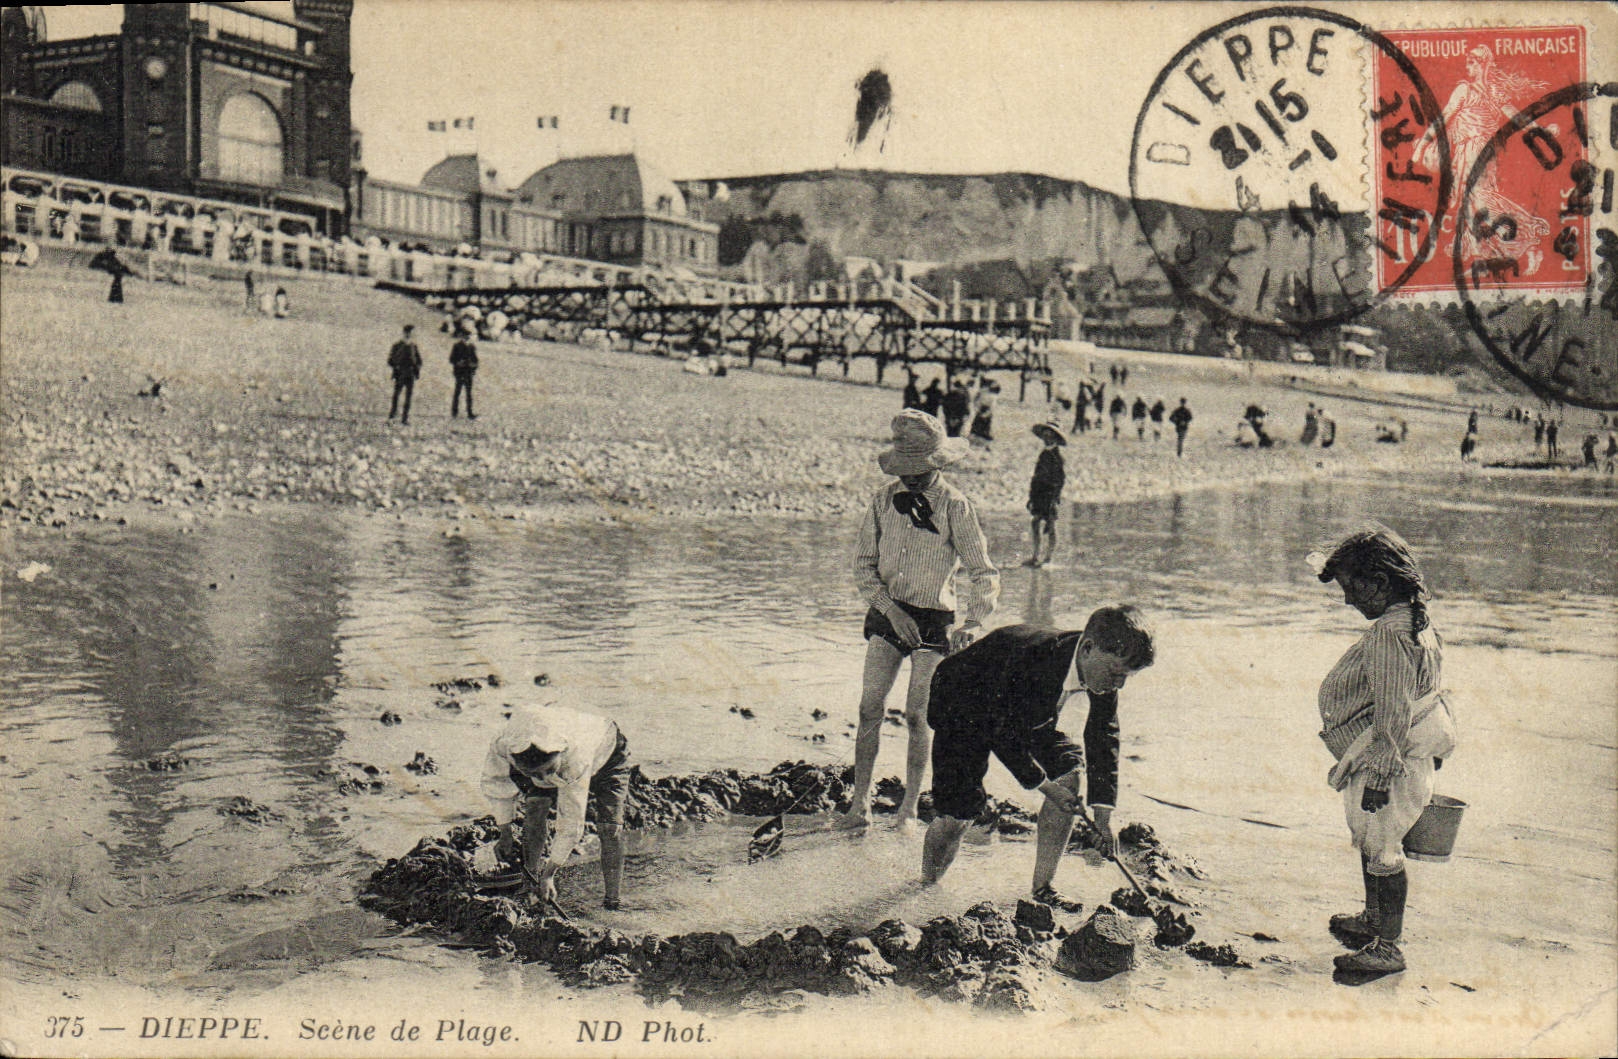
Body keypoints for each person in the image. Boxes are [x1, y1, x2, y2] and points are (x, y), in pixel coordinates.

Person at [920, 609, 1157, 908]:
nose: (1119, 685)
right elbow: (1001, 733)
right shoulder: (1036, 659)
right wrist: (1046, 787)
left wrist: (1103, 819)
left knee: (1070, 775)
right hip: (964, 703)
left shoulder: (1103, 668)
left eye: (1127, 677)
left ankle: (1043, 889)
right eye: (1116, 674)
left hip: (1027, 713)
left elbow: (1102, 738)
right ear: (1088, 649)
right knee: (959, 815)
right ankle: (926, 888)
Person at [842, 409, 1000, 829]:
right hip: (888, 611)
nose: (909, 480)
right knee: (869, 706)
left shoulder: (955, 505)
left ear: (938, 464)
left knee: (918, 715)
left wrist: (973, 623)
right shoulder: (881, 500)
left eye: (919, 472)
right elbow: (863, 566)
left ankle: (909, 809)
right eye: (905, 472)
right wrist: (890, 610)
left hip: (935, 620)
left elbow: (983, 571)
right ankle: (859, 806)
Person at [1310, 527, 1456, 975]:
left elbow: (1393, 713)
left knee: (1382, 846)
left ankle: (1388, 947)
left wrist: (1377, 776)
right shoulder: (1417, 622)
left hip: (1386, 761)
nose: (1349, 601)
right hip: (1399, 755)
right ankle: (1374, 919)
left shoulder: (1391, 634)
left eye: (1353, 590)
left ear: (1380, 583)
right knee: (1372, 839)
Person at [481, 704, 631, 911]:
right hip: (543, 751)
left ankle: (613, 901)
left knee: (609, 828)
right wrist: (504, 832)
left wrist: (550, 872)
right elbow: (496, 783)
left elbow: (571, 822)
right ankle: (530, 883)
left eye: (548, 772)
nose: (544, 780)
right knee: (535, 807)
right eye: (534, 774)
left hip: (606, 750)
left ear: (559, 755)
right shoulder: (503, 744)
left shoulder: (577, 756)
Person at [1024, 422, 1067, 568]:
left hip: (1049, 494)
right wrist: (1031, 496)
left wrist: (1055, 497)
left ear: (1054, 437)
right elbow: (1036, 477)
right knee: (1035, 522)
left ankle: (1048, 557)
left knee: (1050, 524)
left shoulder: (1057, 457)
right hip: (1039, 493)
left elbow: (1060, 480)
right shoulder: (1044, 453)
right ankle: (1036, 555)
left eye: (1049, 434)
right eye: (1045, 434)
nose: (1046, 436)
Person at [387, 324, 423, 425]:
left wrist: (417, 368)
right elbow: (390, 360)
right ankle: (392, 416)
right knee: (396, 395)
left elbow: (419, 360)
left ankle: (405, 418)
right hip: (400, 373)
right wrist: (396, 367)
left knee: (408, 397)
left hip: (410, 374)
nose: (412, 334)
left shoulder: (414, 346)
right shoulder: (397, 345)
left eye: (412, 333)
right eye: (410, 332)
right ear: (405, 333)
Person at [450, 327, 479, 420]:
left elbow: (476, 360)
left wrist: (473, 366)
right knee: (457, 392)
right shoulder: (457, 346)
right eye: (465, 336)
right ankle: (454, 411)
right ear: (461, 336)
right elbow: (451, 359)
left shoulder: (471, 347)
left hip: (468, 372)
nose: (467, 338)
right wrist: (459, 362)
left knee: (469, 393)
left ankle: (470, 412)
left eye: (468, 336)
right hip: (460, 372)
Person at [969, 380, 997, 449]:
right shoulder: (984, 393)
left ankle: (981, 437)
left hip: (984, 410)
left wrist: (984, 412)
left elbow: (991, 406)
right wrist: (979, 410)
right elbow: (977, 401)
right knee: (980, 424)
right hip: (982, 410)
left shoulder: (988, 395)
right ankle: (979, 436)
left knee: (984, 424)